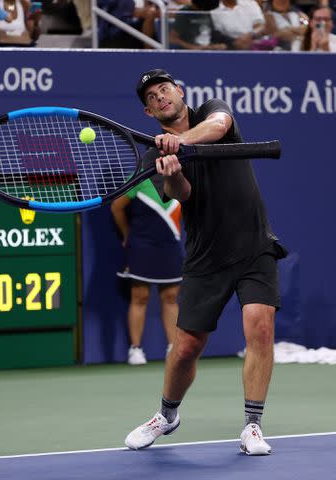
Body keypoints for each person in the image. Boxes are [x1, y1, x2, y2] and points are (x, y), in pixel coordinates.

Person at [125, 69, 288, 454]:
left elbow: (219, 125)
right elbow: (183, 195)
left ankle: (252, 425)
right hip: (205, 256)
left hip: (254, 245)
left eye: (164, 89)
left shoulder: (211, 112)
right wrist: (174, 167)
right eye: (151, 97)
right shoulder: (155, 153)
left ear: (180, 92)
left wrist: (179, 142)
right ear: (149, 113)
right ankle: (167, 415)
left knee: (260, 327)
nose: (160, 96)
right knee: (185, 347)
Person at [111, 179, 183, 365]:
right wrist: (127, 234)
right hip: (142, 246)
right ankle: (135, 349)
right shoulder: (140, 176)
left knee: (170, 297)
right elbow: (116, 207)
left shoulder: (181, 176)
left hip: (170, 245)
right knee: (140, 296)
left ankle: (173, 348)